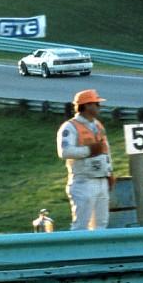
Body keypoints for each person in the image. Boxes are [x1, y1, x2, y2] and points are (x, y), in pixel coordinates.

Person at [57, 89, 114, 231]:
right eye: (96, 103)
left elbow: (105, 150)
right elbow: (64, 152)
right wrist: (88, 151)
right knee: (81, 226)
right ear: (87, 105)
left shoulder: (98, 125)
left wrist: (110, 172)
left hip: (101, 179)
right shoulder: (70, 127)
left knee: (101, 225)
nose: (99, 107)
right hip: (83, 182)